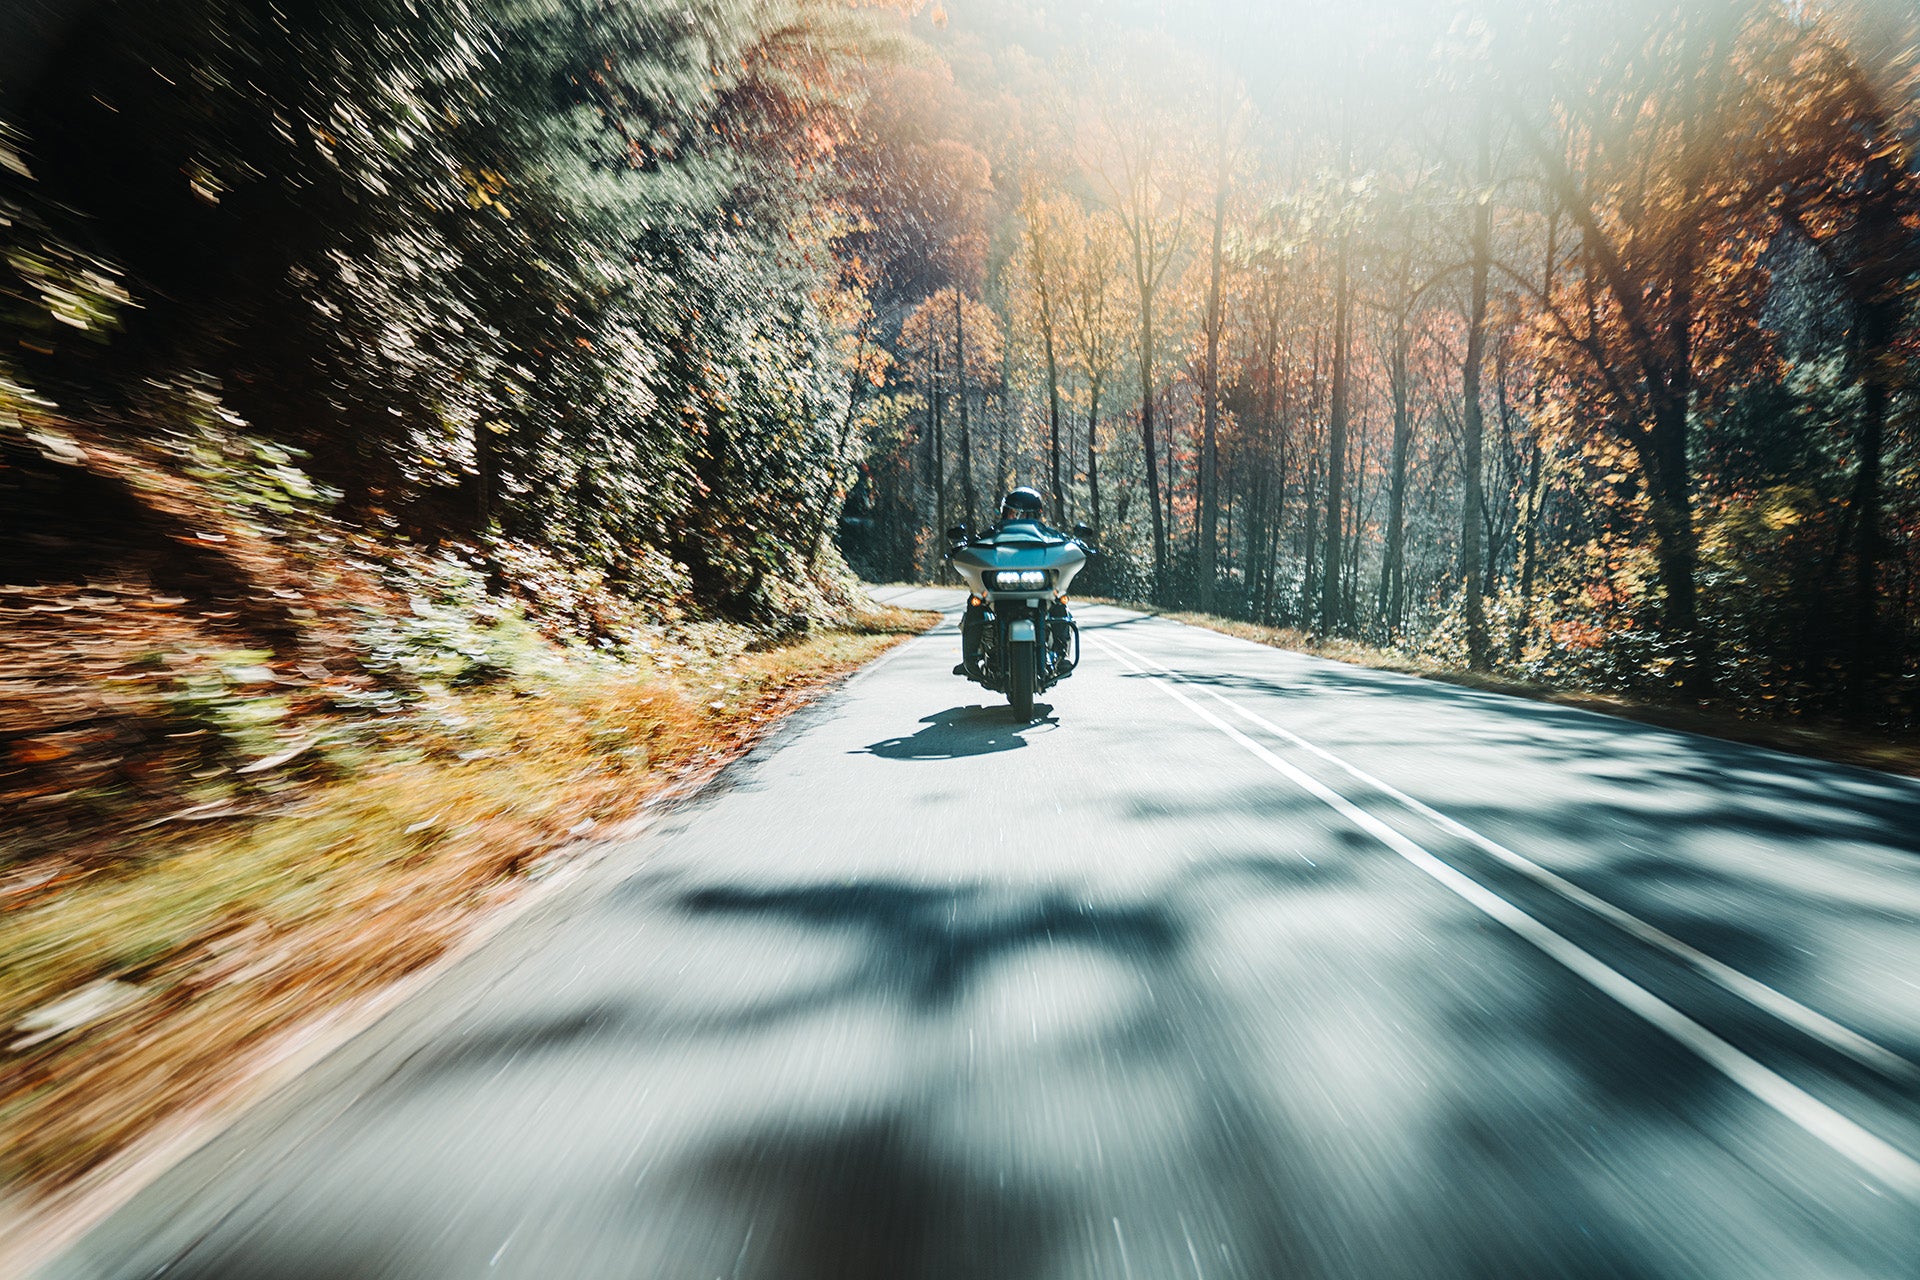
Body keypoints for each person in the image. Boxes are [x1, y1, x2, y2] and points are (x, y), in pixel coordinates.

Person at [953, 487, 1066, 677]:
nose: (1016, 518)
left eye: (1022, 514)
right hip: (1000, 588)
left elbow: (1065, 542)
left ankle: (1061, 654)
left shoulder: (1048, 535)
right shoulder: (992, 534)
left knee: (1059, 598)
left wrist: (1077, 544)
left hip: (1037, 587)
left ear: (1035, 515)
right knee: (976, 600)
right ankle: (971, 657)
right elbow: (974, 543)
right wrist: (962, 546)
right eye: (1011, 513)